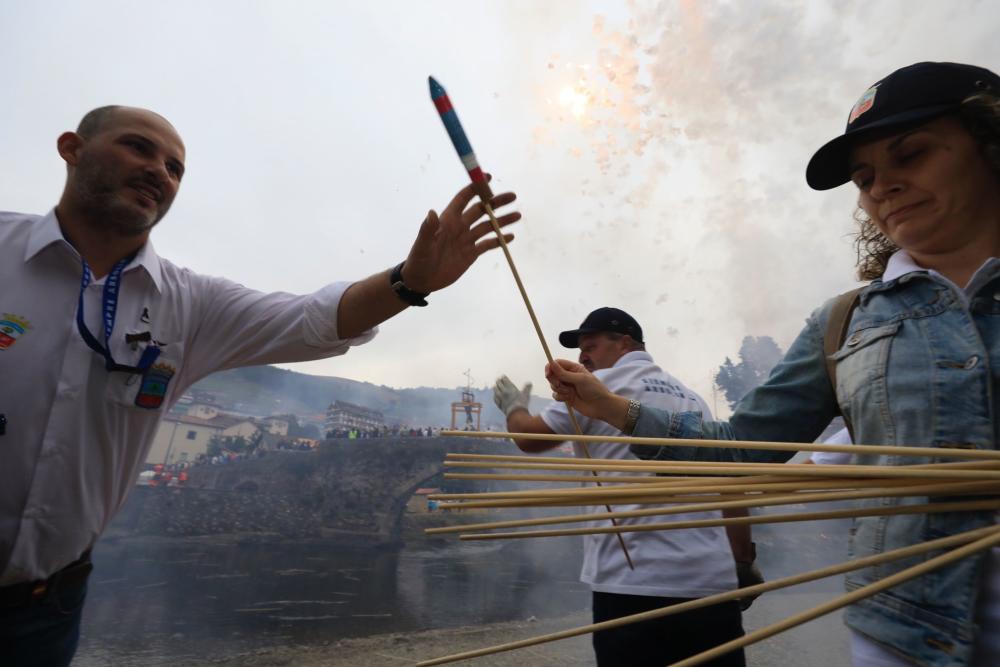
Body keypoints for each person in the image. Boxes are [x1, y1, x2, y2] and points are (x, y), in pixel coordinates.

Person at [0, 105, 520, 666]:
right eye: (137, 147)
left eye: (175, 167)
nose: (159, 171)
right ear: (71, 148)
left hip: (45, 607)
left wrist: (409, 281)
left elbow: (310, 319)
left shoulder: (188, 304)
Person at [544, 62, 1000, 666]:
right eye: (864, 178)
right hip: (904, 643)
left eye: (911, 154)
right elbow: (736, 454)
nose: (882, 187)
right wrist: (605, 406)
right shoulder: (845, 323)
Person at [493, 307, 750, 667]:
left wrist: (512, 406)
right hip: (711, 582)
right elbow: (729, 481)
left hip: (633, 583)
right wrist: (742, 559)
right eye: (580, 348)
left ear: (624, 342)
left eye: (591, 345)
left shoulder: (600, 388)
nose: (583, 356)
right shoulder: (695, 399)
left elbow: (528, 437)